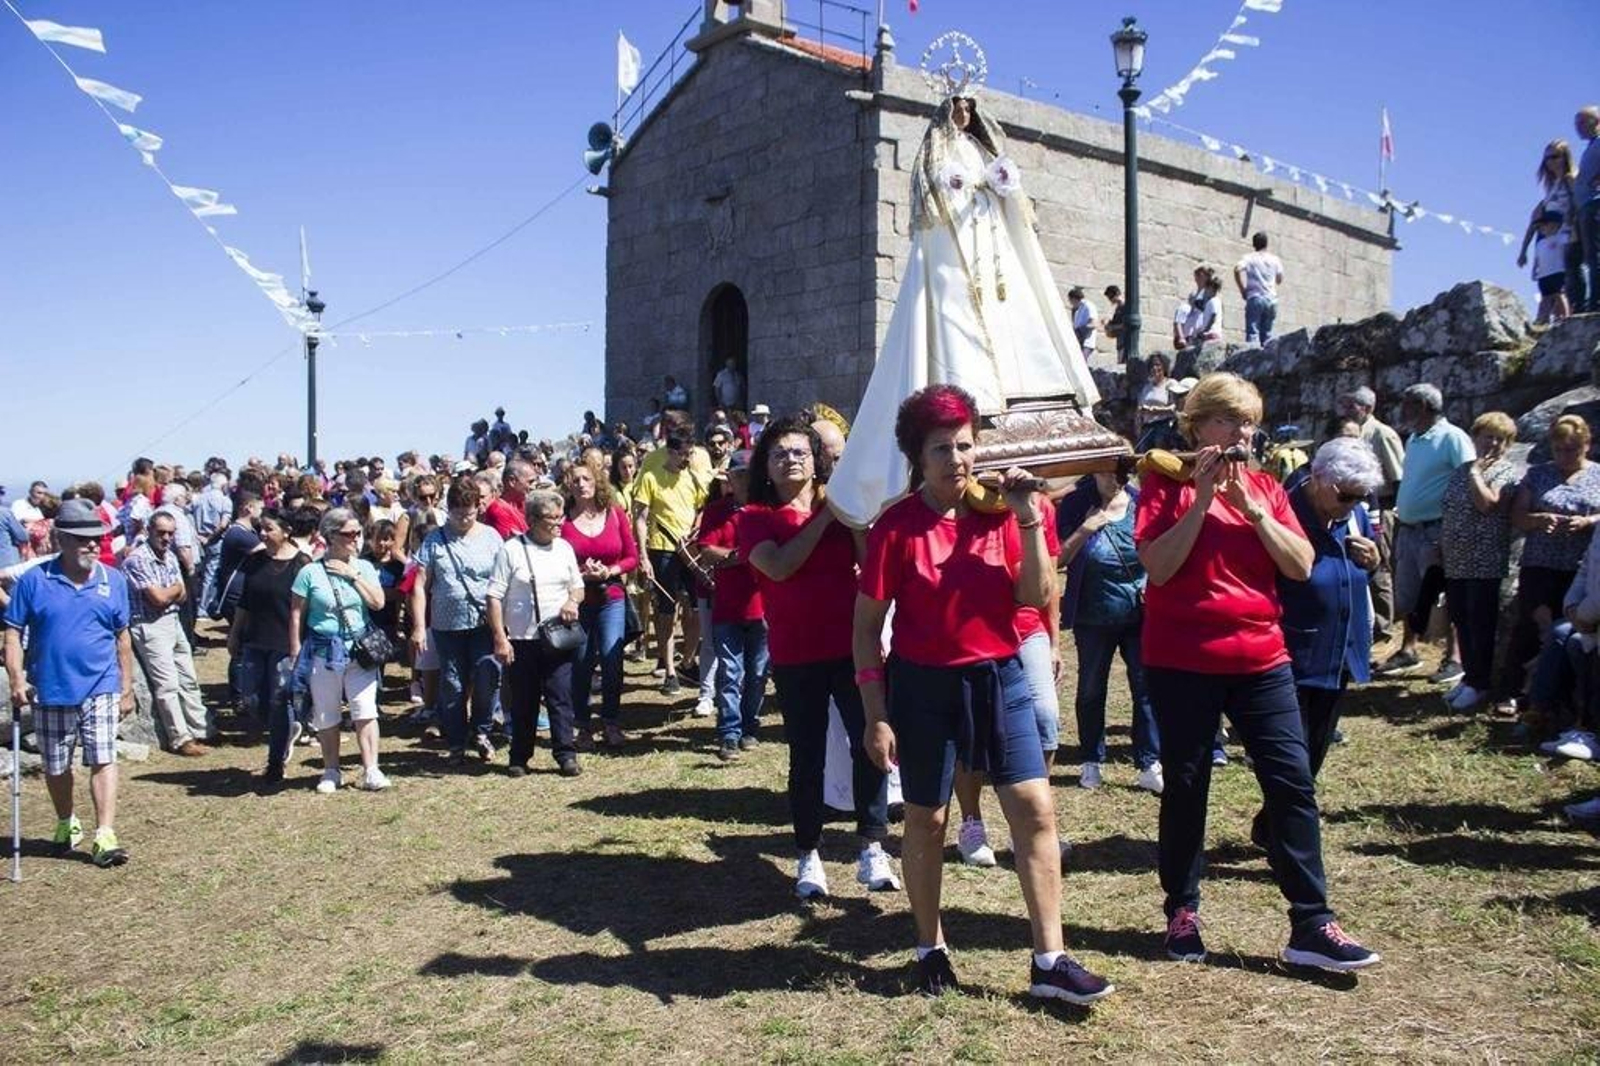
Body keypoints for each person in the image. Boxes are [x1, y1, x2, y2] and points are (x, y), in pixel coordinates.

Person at [853, 385, 1110, 1002]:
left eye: (965, 445)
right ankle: (930, 948)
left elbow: (1034, 596)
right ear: (918, 457)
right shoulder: (896, 526)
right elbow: (865, 630)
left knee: (1035, 809)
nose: (957, 459)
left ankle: (1050, 960)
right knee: (927, 818)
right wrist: (875, 714)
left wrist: (1027, 516)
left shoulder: (1007, 514)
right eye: (941, 448)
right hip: (923, 684)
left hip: (1000, 676)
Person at [1135, 372, 1379, 972]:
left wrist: (1254, 511)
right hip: (1183, 659)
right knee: (1188, 786)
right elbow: (1159, 567)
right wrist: (1201, 500)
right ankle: (1182, 911)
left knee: (1292, 783)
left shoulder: (1269, 487)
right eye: (1232, 420)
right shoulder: (1164, 484)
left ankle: (1312, 922)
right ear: (1198, 425)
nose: (1245, 433)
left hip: (1262, 657)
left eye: (1251, 422)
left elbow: (1300, 565)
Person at [827, 87, 1099, 528]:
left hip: (993, 254)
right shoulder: (938, 154)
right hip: (951, 254)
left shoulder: (984, 152)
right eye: (958, 106)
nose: (964, 113)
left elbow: (1010, 197)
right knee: (953, 332)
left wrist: (995, 191)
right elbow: (931, 196)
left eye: (970, 107)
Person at [741, 415, 897, 899]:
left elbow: (870, 564)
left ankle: (872, 845)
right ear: (766, 466)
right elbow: (780, 566)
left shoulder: (840, 508)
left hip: (852, 648)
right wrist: (827, 517)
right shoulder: (755, 518)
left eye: (800, 452)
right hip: (796, 654)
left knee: (870, 743)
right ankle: (808, 852)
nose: (790, 460)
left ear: (817, 461)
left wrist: (852, 517)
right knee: (806, 756)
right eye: (779, 453)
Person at [1256, 437, 1383, 846]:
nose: (1353, 504)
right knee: (1290, 762)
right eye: (1346, 496)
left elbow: (1361, 571)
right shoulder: (1284, 512)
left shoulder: (1354, 513)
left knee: (1312, 756)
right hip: (1291, 653)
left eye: (1361, 496)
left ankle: (1272, 827)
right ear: (1318, 478)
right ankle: (1289, 843)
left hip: (1340, 651)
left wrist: (1374, 562)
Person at [3, 499, 134, 867]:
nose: (92, 544)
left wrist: (126, 687)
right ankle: (66, 821)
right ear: (61, 539)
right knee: (56, 765)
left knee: (103, 757)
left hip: (101, 685)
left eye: (97, 537)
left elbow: (123, 637)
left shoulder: (113, 580)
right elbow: (12, 634)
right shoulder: (34, 581)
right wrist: (16, 678)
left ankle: (105, 835)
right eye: (82, 538)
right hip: (51, 687)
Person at [1058, 468, 1161, 794]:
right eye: (1107, 470)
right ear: (1095, 470)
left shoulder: (1142, 503)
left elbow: (1157, 552)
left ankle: (1149, 762)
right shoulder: (1076, 504)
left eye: (1122, 470)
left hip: (1139, 615)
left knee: (1145, 688)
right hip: (1092, 617)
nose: (1115, 477)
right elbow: (1057, 559)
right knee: (1091, 688)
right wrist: (1086, 528)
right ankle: (1091, 760)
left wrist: (1151, 584)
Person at [287, 508, 390, 793]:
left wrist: (353, 575)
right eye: (349, 534)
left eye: (358, 533)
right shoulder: (309, 572)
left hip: (359, 651)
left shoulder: (363, 567)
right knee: (326, 712)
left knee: (365, 709)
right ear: (331, 536)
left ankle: (371, 769)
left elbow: (378, 603)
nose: (356, 538)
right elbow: (296, 613)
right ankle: (331, 770)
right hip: (323, 652)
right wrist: (295, 650)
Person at [1377, 385, 1474, 678]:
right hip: (1409, 528)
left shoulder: (1452, 437)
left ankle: (1454, 657)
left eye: (1407, 403)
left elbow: (1468, 478)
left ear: (1422, 406)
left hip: (1438, 529)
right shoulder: (1415, 439)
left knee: (1445, 593)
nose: (1402, 409)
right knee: (1409, 592)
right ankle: (1409, 649)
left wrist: (1453, 529)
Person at [1504, 415, 1600, 707]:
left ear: (1586, 445)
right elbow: (1518, 516)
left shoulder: (1598, 475)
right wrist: (1539, 519)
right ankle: (1514, 691)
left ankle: (1559, 698)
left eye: (1572, 449)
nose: (1564, 456)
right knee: (1531, 627)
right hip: (1539, 564)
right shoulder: (1537, 474)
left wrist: (1588, 522)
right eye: (1558, 449)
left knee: (1569, 629)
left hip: (1580, 568)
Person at [488, 490, 585, 777]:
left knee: (560, 697)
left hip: (558, 638)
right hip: (522, 640)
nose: (558, 523)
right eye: (551, 518)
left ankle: (566, 754)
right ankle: (519, 756)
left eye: (560, 516)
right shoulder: (511, 550)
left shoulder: (564, 548)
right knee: (524, 700)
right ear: (531, 519)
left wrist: (572, 601)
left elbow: (577, 586)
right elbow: (494, 596)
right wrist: (500, 637)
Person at [410, 475, 505, 765]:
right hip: (447, 625)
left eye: (470, 513)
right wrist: (418, 627)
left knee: (488, 674)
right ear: (448, 510)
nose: (464, 519)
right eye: (458, 514)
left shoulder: (491, 537)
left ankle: (482, 730)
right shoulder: (434, 540)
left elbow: (503, 580)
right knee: (452, 683)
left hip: (484, 623)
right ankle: (455, 741)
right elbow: (419, 585)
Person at [1438, 413, 1517, 712]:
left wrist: (1475, 474)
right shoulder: (1461, 470)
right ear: (1476, 437)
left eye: (1500, 439)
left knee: (1480, 622)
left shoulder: (1505, 471)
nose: (1493, 443)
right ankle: (1470, 676)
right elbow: (1449, 509)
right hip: (1457, 560)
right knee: (1461, 618)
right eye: (1488, 436)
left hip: (1485, 561)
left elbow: (1487, 504)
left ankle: (1480, 682)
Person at [562, 459, 638, 750]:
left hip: (611, 597)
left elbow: (631, 557)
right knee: (580, 662)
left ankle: (611, 721)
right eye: (575, 480)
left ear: (597, 482)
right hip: (578, 600)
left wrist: (610, 571)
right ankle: (582, 726)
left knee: (611, 658)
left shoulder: (615, 514)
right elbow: (555, 558)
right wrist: (580, 574)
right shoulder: (563, 519)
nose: (581, 484)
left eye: (586, 478)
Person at [229, 509, 309, 781]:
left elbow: (305, 608)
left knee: (279, 699)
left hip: (284, 642)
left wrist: (300, 644)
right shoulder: (255, 561)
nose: (263, 534)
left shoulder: (301, 564)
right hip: (255, 639)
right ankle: (288, 728)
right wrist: (235, 633)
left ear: (286, 531)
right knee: (252, 699)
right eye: (260, 528)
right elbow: (245, 602)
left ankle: (276, 761)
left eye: (269, 529)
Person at [123, 510, 212, 755]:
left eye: (171, 534)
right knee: (167, 684)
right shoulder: (138, 559)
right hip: (149, 624)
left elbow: (181, 594)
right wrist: (172, 590)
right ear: (149, 531)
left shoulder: (170, 556)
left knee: (188, 678)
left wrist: (170, 591)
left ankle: (201, 729)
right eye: (161, 533)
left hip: (172, 620)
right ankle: (180, 738)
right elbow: (158, 598)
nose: (166, 538)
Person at [697, 450, 767, 761]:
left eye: (750, 474)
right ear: (729, 478)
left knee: (757, 673)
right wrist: (739, 556)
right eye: (739, 474)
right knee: (730, 670)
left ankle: (750, 726)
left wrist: (733, 557)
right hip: (727, 605)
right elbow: (706, 551)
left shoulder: (767, 508)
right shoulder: (716, 511)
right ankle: (729, 731)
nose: (745, 480)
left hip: (763, 606)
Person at [634, 433, 710, 697]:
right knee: (666, 611)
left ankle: (687, 661)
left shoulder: (692, 477)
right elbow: (640, 517)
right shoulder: (650, 477)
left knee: (696, 609)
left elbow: (701, 507)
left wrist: (697, 527)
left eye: (690, 454)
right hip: (662, 549)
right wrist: (643, 555)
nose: (687, 459)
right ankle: (669, 671)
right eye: (683, 455)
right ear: (670, 452)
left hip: (689, 551)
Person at [1340, 387, 1405, 642]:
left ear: (1367, 408)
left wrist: (1395, 511)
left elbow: (1397, 475)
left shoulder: (1382, 434)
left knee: (1379, 565)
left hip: (1381, 506)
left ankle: (1383, 626)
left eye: (1352, 405)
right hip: (1356, 505)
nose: (1347, 410)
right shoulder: (1354, 431)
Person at [1518, 140, 1581, 312]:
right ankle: (1547, 320)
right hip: (1546, 240)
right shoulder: (1551, 188)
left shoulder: (1569, 180)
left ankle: (1566, 317)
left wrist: (1573, 227)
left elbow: (1577, 203)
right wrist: (1524, 250)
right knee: (1547, 287)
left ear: (1565, 157)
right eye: (1547, 158)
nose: (1550, 162)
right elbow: (1534, 221)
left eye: (1555, 157)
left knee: (1559, 285)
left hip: (1563, 235)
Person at [1234, 232, 1285, 345]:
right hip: (1271, 299)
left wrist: (1242, 290)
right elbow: (1279, 279)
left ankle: (1252, 355)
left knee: (1253, 334)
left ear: (1254, 244)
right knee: (1267, 336)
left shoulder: (1249, 258)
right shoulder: (1275, 259)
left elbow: (1237, 269)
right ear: (1266, 244)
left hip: (1255, 297)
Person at [1573, 106, 1600, 313]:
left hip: (1595, 203)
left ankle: (1596, 302)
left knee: (1595, 255)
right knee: (1590, 257)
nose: (1578, 127)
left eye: (1583, 122)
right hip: (1585, 205)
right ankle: (1592, 301)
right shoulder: (1591, 146)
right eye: (1577, 123)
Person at [1529, 209, 1572, 324]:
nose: (1541, 228)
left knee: (1559, 294)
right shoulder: (1540, 243)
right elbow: (1537, 258)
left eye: (1544, 225)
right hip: (1544, 274)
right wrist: (1534, 269)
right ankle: (1542, 319)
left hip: (1558, 271)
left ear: (1555, 225)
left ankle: (1565, 317)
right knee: (1545, 297)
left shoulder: (1561, 238)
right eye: (1540, 227)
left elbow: (1568, 248)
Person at [1172, 266, 1223, 350]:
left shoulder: (1211, 300)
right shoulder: (1189, 302)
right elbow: (1179, 321)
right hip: (1191, 334)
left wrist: (1204, 331)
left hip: (1202, 333)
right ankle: (1183, 338)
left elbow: (1212, 316)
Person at [482, 458, 534, 540]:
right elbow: (518, 541)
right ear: (512, 481)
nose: (533, 487)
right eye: (530, 482)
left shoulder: (523, 504)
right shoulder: (497, 510)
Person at [1067, 286, 1099, 362]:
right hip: (1079, 342)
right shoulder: (1077, 309)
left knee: (1080, 363)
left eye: (1070, 300)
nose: (1070, 303)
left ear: (1074, 299)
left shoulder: (1088, 306)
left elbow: (1094, 323)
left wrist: (1079, 331)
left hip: (1087, 342)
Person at [1102, 285, 1128, 362]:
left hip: (1126, 342)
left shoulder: (1125, 306)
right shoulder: (1118, 308)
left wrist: (1111, 327)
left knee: (1124, 364)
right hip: (1121, 342)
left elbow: (1125, 325)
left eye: (1110, 298)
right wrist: (1107, 324)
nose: (1110, 301)